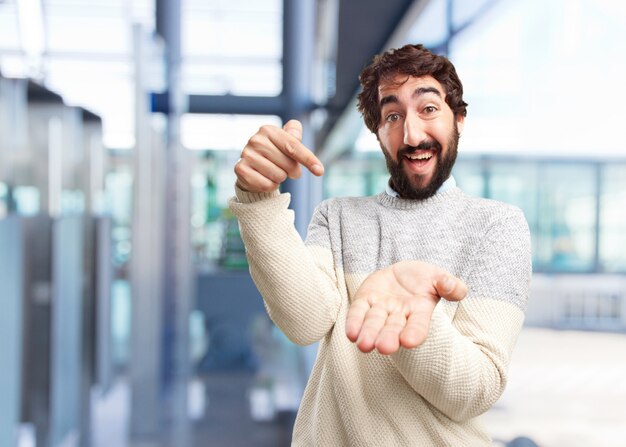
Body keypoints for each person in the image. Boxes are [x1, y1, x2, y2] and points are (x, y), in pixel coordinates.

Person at [229, 44, 531, 446]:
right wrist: (258, 199)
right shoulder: (336, 217)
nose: (411, 134)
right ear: (377, 132)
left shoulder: (498, 226)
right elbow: (304, 323)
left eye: (428, 109)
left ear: (458, 118)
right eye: (393, 115)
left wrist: (414, 322)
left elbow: (473, 391)